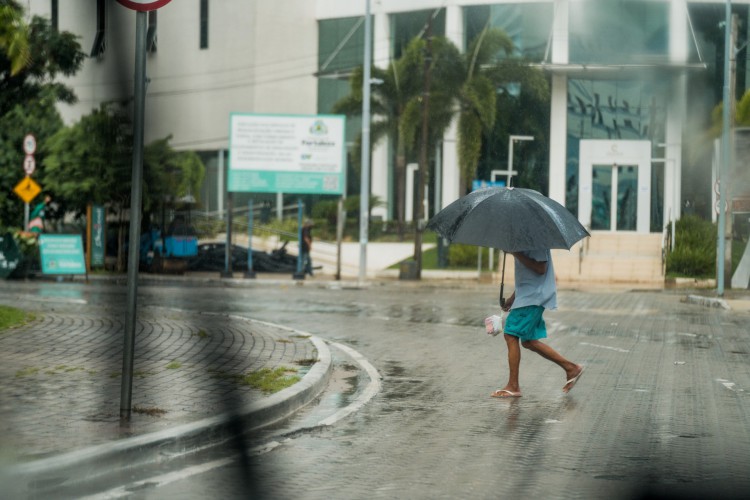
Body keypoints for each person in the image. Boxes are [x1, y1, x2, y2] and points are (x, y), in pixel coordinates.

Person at [491, 249, 584, 398]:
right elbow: (528, 277)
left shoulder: (535, 240)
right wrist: (513, 298)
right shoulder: (524, 239)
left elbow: (540, 268)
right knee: (528, 341)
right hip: (528, 296)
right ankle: (571, 368)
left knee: (510, 334)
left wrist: (515, 253)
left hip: (533, 297)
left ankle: (513, 386)